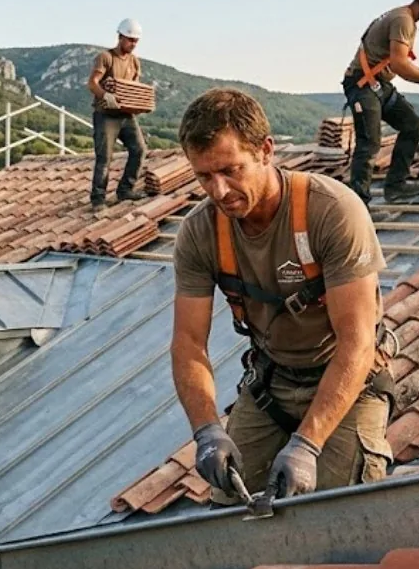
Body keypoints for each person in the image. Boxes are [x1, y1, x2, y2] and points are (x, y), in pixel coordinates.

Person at [169, 88, 395, 505]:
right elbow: (188, 343)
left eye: (230, 170)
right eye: (204, 176)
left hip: (345, 379)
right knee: (228, 507)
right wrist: (206, 430)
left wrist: (307, 445)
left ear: (266, 150)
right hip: (271, 382)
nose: (219, 191)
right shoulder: (201, 232)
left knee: (341, 512)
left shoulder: (330, 211)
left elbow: (357, 342)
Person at [342, 0, 419, 205]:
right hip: (362, 85)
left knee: (412, 125)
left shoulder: (405, 19)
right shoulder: (403, 20)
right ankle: (358, 206)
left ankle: (395, 186)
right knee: (370, 143)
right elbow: (399, 64)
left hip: (378, 85)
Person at [86, 18, 148, 209]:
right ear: (120, 37)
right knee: (105, 157)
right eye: (130, 40)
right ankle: (98, 198)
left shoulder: (135, 62)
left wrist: (139, 104)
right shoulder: (106, 57)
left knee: (139, 150)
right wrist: (105, 95)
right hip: (106, 115)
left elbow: (134, 88)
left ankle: (125, 190)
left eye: (136, 41)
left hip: (126, 115)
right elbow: (92, 83)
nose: (133, 44)